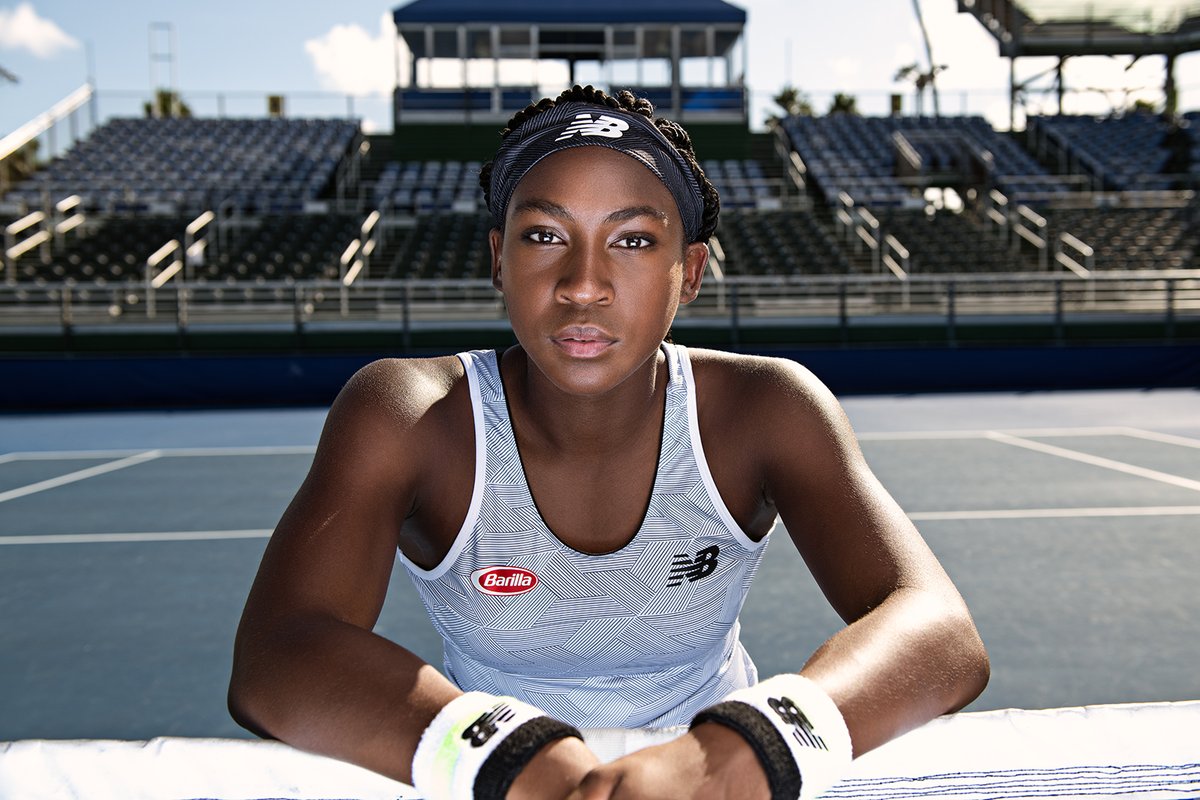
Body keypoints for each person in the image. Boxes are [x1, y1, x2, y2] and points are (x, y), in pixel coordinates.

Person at [228, 84, 989, 800]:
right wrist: (512, 756)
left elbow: (941, 631)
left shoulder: (767, 409)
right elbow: (278, 654)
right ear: (498, 258)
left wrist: (744, 749)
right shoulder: (409, 415)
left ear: (690, 271)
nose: (583, 284)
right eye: (544, 235)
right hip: (496, 778)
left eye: (631, 240)